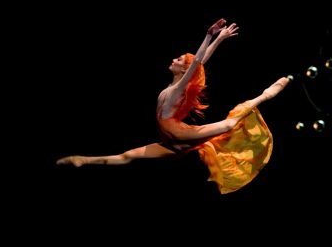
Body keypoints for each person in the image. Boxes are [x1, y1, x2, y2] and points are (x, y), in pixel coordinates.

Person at [57, 18, 290, 194]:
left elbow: (197, 61)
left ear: (182, 70)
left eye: (179, 60)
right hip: (171, 142)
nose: (174, 60)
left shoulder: (176, 91)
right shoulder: (172, 88)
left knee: (231, 121)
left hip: (181, 135)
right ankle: (84, 159)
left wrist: (210, 36)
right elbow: (198, 63)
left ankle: (265, 95)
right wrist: (219, 40)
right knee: (127, 155)